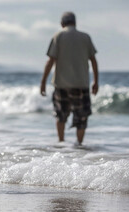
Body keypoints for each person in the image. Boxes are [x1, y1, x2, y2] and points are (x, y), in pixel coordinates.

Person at [40, 12, 99, 145]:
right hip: (81, 84)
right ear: (75, 22)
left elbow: (51, 61)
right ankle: (79, 145)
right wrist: (96, 81)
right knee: (82, 117)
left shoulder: (58, 36)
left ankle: (61, 143)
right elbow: (94, 61)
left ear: (62, 24)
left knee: (61, 115)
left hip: (61, 85)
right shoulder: (85, 37)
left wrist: (43, 81)